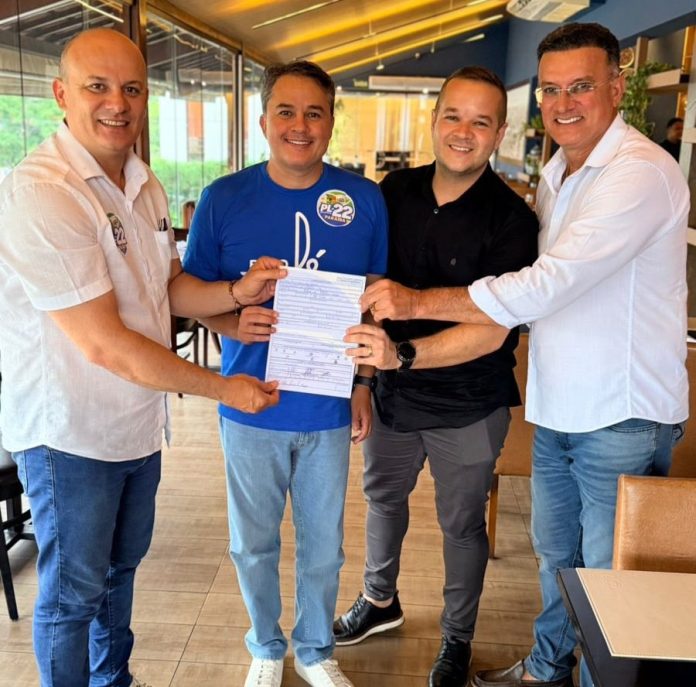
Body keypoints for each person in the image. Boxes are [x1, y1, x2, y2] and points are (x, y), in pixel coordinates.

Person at [359, 23, 689, 687]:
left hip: (621, 413)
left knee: (608, 576)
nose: (565, 103)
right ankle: (546, 670)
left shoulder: (640, 172)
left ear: (617, 87)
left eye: (582, 86)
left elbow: (544, 287)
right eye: (553, 90)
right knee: (555, 554)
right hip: (559, 407)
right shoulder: (560, 173)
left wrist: (413, 306)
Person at [0, 28, 283, 687]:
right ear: (61, 94)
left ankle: (114, 679)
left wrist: (235, 293)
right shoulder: (42, 191)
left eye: (131, 88)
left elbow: (167, 287)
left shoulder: (141, 180)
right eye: (97, 87)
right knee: (72, 596)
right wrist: (225, 386)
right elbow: (104, 341)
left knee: (119, 572)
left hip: (135, 424)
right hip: (70, 433)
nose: (117, 103)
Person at [182, 60, 388, 687]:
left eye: (314, 112)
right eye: (287, 112)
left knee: (324, 546)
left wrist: (363, 384)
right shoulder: (224, 198)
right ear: (263, 120)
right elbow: (188, 292)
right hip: (251, 404)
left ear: (331, 121)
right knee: (252, 543)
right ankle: (267, 647)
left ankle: (315, 650)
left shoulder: (364, 200)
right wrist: (232, 317)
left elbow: (374, 301)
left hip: (328, 408)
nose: (300, 125)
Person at [333, 66, 538, 687]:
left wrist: (402, 356)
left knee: (462, 524)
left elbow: (494, 328)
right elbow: (372, 293)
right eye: (453, 115)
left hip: (469, 403)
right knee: (382, 498)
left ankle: (457, 637)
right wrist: (364, 381)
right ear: (434, 119)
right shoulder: (393, 192)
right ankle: (380, 599)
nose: (463, 132)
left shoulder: (513, 220)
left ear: (498, 132)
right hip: (391, 396)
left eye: (480, 121)